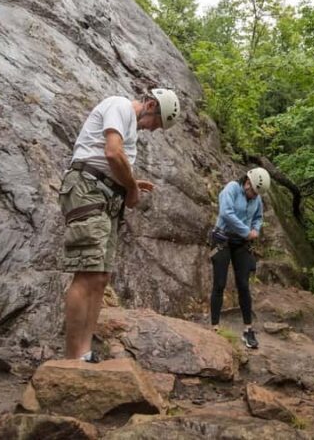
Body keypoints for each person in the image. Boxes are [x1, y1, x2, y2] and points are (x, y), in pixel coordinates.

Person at [59, 88, 181, 362]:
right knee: (87, 273)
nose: (153, 129)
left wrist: (130, 184)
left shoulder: (131, 131)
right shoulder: (120, 106)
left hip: (106, 197)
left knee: (100, 277)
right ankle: (72, 358)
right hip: (88, 189)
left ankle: (85, 352)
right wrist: (132, 188)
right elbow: (112, 153)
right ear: (151, 104)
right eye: (157, 122)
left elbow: (115, 165)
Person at [210, 167, 270, 349]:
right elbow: (226, 213)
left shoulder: (256, 198)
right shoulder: (232, 189)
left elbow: (258, 217)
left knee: (243, 285)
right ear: (248, 183)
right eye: (253, 192)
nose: (254, 196)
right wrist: (246, 231)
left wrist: (256, 229)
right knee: (219, 283)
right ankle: (214, 327)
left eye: (257, 194)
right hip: (223, 238)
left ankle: (248, 329)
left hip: (241, 243)